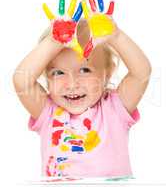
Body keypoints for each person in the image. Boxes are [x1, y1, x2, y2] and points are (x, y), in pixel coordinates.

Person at [13, 17, 151, 178]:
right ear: (46, 76)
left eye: (85, 70)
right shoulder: (48, 112)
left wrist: (116, 36)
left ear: (108, 72)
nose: (72, 84)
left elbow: (141, 72)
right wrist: (53, 41)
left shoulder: (115, 108)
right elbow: (21, 80)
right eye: (58, 73)